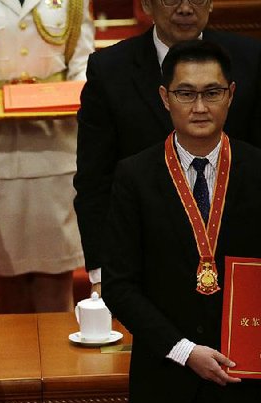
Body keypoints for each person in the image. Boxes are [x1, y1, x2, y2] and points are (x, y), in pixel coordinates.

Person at [104, 40, 261, 403]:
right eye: (186, 93)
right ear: (164, 97)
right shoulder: (134, 175)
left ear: (231, 95)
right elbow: (121, 286)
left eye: (212, 92)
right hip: (165, 374)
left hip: (247, 380)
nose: (199, 106)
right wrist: (184, 349)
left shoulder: (259, 169)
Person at [74, 0, 261, 296]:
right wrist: (101, 272)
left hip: (234, 260)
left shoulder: (251, 59)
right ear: (146, 4)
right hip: (145, 260)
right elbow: (93, 181)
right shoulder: (110, 70)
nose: (186, 8)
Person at [0, 0, 94, 314]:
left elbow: (83, 65)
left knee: (56, 284)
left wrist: (84, 98)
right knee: (3, 285)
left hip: (57, 145)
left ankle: (59, 365)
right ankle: (5, 364)